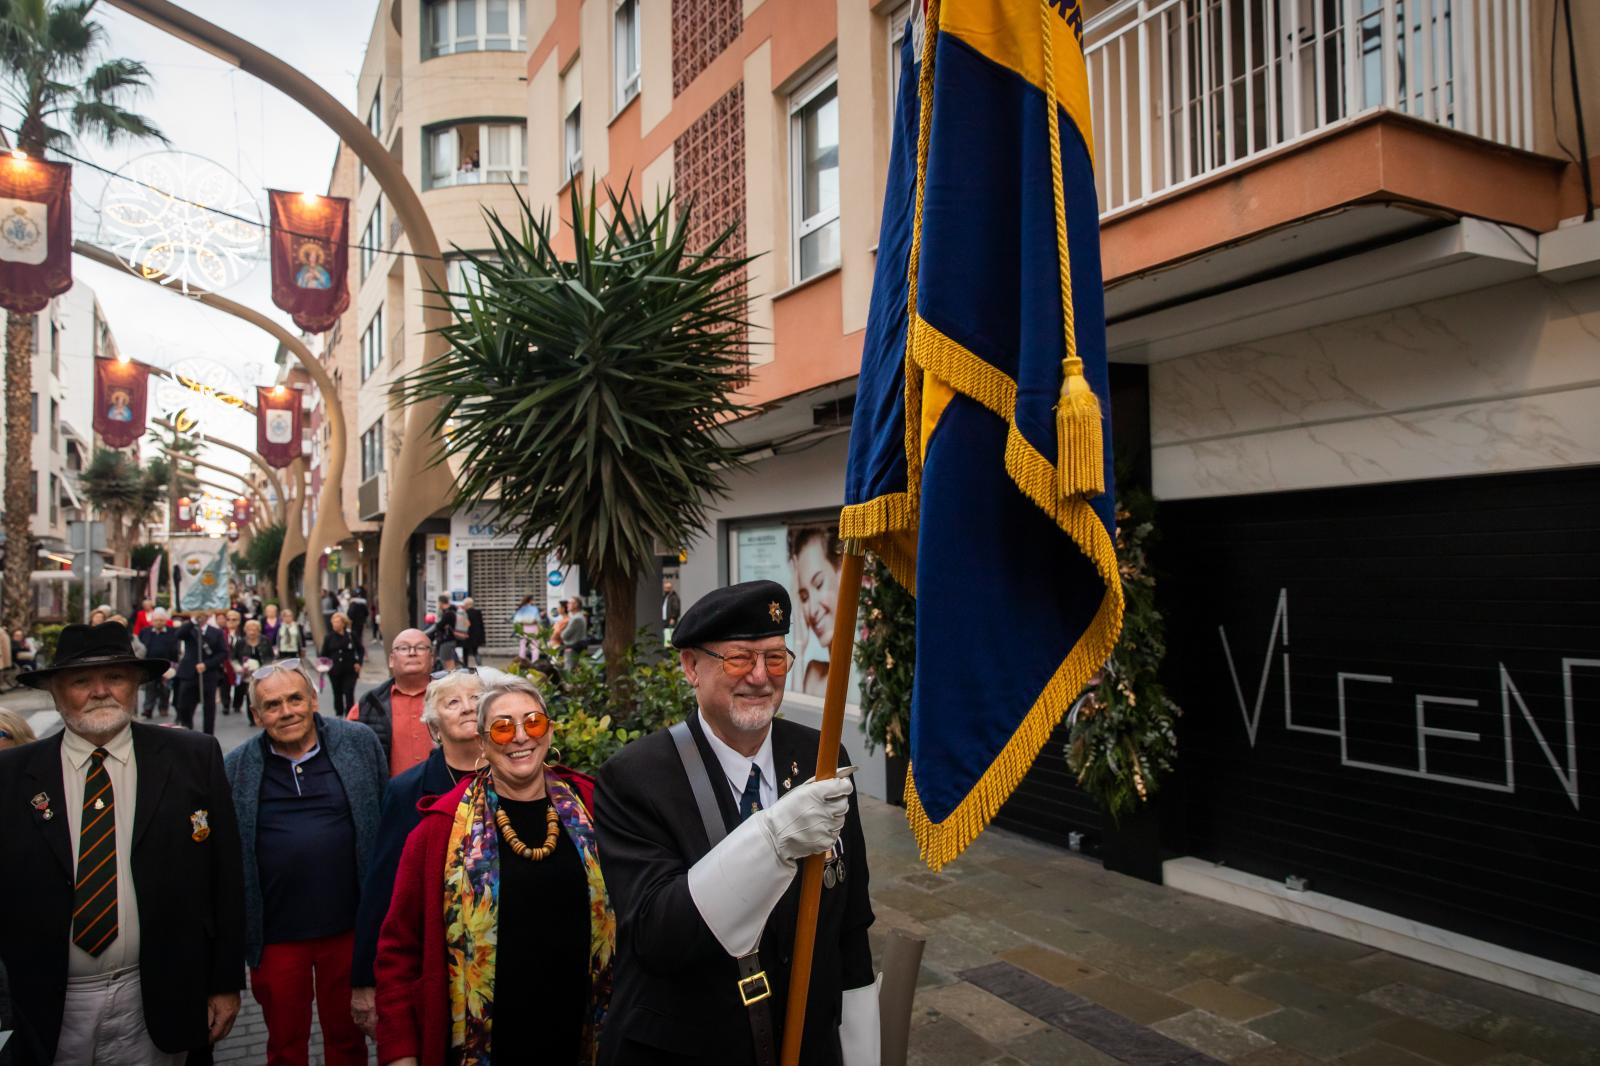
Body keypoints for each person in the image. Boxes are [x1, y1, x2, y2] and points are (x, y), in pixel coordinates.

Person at [595, 580, 877, 1065]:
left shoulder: (821, 755)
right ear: (690, 667)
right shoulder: (636, 777)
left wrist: (862, 1046)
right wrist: (772, 838)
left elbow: (850, 921)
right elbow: (659, 936)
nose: (760, 677)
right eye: (739, 658)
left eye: (774, 658)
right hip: (692, 1050)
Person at [0, 621, 245, 1066]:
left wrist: (226, 982)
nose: (100, 691)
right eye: (80, 681)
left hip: (159, 994)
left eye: (114, 677)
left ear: (135, 686)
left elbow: (225, 879)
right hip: (53, 1005)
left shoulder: (194, 757)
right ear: (55, 692)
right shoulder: (11, 776)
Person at [375, 672, 615, 1066]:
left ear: (549, 733)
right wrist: (400, 1052)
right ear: (483, 743)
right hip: (490, 1043)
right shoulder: (438, 830)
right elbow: (398, 949)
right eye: (503, 728)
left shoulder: (594, 806)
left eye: (533, 722)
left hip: (583, 1033)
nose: (521, 737)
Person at [224, 658, 386, 1066]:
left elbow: (383, 823)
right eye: (273, 705)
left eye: (295, 698)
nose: (287, 712)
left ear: (314, 699)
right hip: (277, 935)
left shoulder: (359, 742)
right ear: (257, 716)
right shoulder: (236, 767)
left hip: (348, 928)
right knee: (284, 1044)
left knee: (348, 1039)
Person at [348, 669, 485, 1036]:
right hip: (433, 959)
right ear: (434, 724)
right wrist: (365, 978)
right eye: (453, 702)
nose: (468, 708)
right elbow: (382, 889)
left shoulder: (517, 779)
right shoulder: (407, 790)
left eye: (476, 698)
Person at [348, 628, 434, 776]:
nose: (412, 653)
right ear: (391, 660)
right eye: (404, 648)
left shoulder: (454, 699)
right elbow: (350, 752)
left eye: (420, 647)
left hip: (449, 796)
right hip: (391, 796)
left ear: (432, 659)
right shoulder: (369, 704)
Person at [788, 527, 843, 697]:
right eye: (804, 597)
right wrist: (798, 643)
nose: (811, 609)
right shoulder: (813, 675)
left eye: (819, 584)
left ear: (841, 573)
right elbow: (793, 721)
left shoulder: (869, 674)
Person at [174, 610, 229, 734]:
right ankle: (186, 731)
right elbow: (178, 635)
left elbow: (223, 653)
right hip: (189, 674)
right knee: (184, 705)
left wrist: (206, 665)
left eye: (203, 614)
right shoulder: (189, 629)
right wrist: (193, 620)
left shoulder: (216, 632)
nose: (201, 616)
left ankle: (208, 736)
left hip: (208, 675)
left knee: (209, 708)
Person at [232, 619, 276, 726]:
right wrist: (239, 668)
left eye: (255, 629)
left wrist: (269, 668)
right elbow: (234, 658)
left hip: (263, 672)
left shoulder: (265, 640)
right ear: (245, 630)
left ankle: (265, 715)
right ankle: (252, 718)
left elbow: (271, 657)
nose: (252, 632)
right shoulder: (240, 642)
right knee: (250, 695)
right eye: (249, 629)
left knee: (263, 694)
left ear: (259, 630)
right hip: (247, 674)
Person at [138, 608, 180, 719]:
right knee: (150, 687)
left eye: (161, 620)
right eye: (156, 620)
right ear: (152, 621)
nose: (158, 622)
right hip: (150, 664)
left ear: (165, 621)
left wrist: (174, 665)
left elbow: (176, 649)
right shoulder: (145, 632)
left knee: (165, 688)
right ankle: (148, 709)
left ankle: (163, 707)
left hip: (167, 664)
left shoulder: (172, 632)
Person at [322, 611, 364, 717]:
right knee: (337, 693)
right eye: (333, 622)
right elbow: (323, 654)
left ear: (343, 623)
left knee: (349, 692)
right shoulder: (329, 637)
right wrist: (324, 667)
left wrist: (359, 663)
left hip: (350, 670)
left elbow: (360, 650)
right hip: (334, 671)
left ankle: (350, 715)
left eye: (337, 622)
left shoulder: (351, 635)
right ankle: (339, 714)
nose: (335, 624)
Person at [222, 610, 246, 716]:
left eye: (234, 619)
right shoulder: (221, 633)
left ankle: (237, 704)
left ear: (239, 621)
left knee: (240, 684)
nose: (231, 621)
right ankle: (225, 705)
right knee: (225, 684)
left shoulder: (243, 634)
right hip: (225, 662)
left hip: (238, 662)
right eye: (228, 619)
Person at [561, 597, 588, 671]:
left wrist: (561, 631)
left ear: (576, 605)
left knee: (569, 670)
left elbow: (564, 635)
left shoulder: (576, 618)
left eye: (569, 603)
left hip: (573, 648)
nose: (567, 605)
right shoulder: (579, 617)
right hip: (576, 647)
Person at [460, 596, 486, 668]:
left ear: (468, 605)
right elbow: (481, 625)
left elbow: (464, 626)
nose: (464, 606)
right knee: (475, 652)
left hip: (467, 635)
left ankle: (465, 667)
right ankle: (480, 667)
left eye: (464, 604)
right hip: (476, 636)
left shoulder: (464, 613)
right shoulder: (478, 613)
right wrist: (483, 638)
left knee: (465, 652)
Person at [346, 587, 370, 651]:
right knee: (361, 638)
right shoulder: (363, 604)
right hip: (362, 623)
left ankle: (356, 650)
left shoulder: (352, 604)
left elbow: (350, 614)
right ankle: (363, 652)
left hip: (354, 623)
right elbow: (367, 613)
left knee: (355, 637)